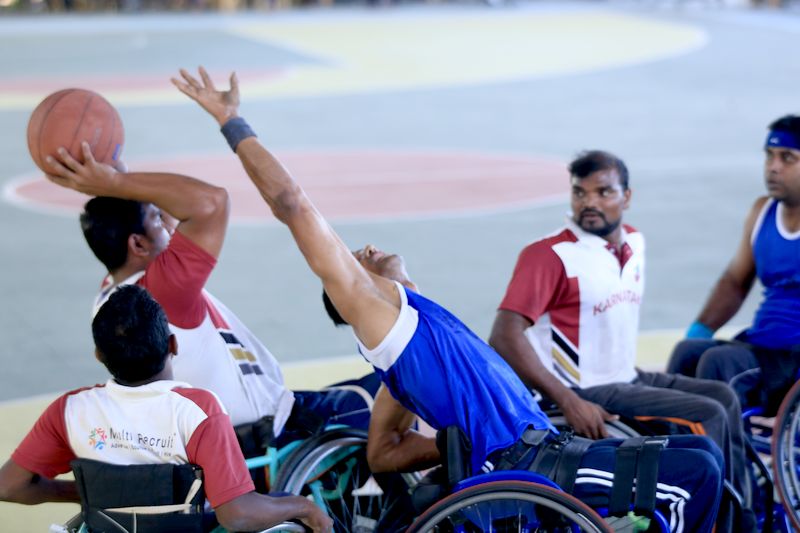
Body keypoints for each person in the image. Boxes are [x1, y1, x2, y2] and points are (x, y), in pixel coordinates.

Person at [168, 66, 724, 532]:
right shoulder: (385, 324)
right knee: (697, 477)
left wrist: (451, 443)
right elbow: (291, 202)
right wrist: (230, 120)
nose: (364, 249)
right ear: (353, 296)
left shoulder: (408, 342)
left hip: (542, 451)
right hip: (533, 470)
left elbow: (383, 452)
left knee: (702, 455)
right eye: (356, 262)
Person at [45, 137, 378, 460]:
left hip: (229, 438)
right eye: (157, 219)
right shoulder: (163, 289)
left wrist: (116, 182)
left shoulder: (116, 292)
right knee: (390, 397)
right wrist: (118, 181)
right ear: (138, 245)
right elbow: (211, 202)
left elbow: (178, 215)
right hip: (271, 436)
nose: (169, 221)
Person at [487, 150, 754, 531]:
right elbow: (503, 335)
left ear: (626, 197)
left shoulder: (635, 243)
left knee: (724, 397)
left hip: (625, 376)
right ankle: (721, 522)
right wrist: (569, 400)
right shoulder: (549, 255)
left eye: (603, 192)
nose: (589, 203)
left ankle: (744, 512)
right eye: (580, 193)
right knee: (706, 415)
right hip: (584, 390)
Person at [0, 285, 332, 533]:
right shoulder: (197, 409)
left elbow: (9, 486)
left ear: (99, 355)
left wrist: (82, 494)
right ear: (173, 344)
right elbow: (238, 514)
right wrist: (303, 506)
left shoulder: (69, 410)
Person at [668, 115, 800, 415]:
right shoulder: (762, 211)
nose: (773, 166)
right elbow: (734, 282)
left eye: (787, 158)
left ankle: (725, 461)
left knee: (720, 364)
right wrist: (699, 331)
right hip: (761, 348)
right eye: (769, 155)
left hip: (792, 361)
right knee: (687, 354)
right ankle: (676, 452)